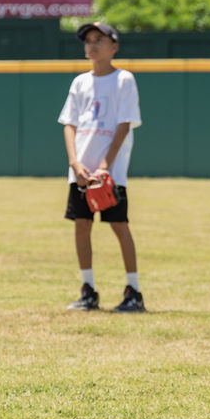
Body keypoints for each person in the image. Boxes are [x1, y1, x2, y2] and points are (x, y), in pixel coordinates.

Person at [58, 22, 144, 313]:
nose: (92, 45)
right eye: (88, 41)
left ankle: (134, 291)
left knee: (119, 225)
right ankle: (88, 290)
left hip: (110, 172)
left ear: (114, 47)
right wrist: (74, 162)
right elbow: (69, 124)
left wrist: (106, 165)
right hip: (81, 170)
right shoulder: (80, 82)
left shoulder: (123, 80)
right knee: (81, 226)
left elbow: (124, 124)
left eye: (99, 39)